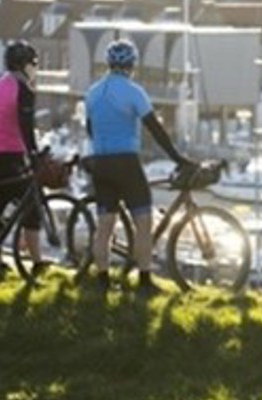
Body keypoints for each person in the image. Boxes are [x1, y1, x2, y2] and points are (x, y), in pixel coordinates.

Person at [82, 39, 192, 292]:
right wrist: (178, 159)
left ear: (108, 64)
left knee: (104, 227)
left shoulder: (92, 93)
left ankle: (102, 282)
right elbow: (156, 130)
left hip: (101, 163)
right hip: (126, 163)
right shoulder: (134, 92)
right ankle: (144, 282)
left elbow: (90, 129)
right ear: (132, 64)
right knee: (144, 223)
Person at [0, 40, 47, 276]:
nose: (35, 70)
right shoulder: (24, 89)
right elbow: (26, 126)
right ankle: (36, 262)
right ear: (24, 65)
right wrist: (33, 153)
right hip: (14, 156)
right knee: (31, 208)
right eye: (33, 65)